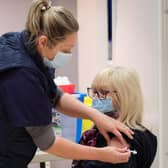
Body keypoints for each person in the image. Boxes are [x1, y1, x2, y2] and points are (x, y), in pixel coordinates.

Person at [0, 0, 134, 167]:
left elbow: (54, 95)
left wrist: (95, 115)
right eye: (65, 50)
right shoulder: (21, 74)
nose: (68, 55)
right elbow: (47, 141)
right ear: (43, 41)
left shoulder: (26, 45)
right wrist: (101, 154)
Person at [72, 66, 157, 168]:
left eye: (103, 92)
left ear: (124, 96)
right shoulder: (147, 134)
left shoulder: (117, 136)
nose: (95, 98)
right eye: (94, 92)